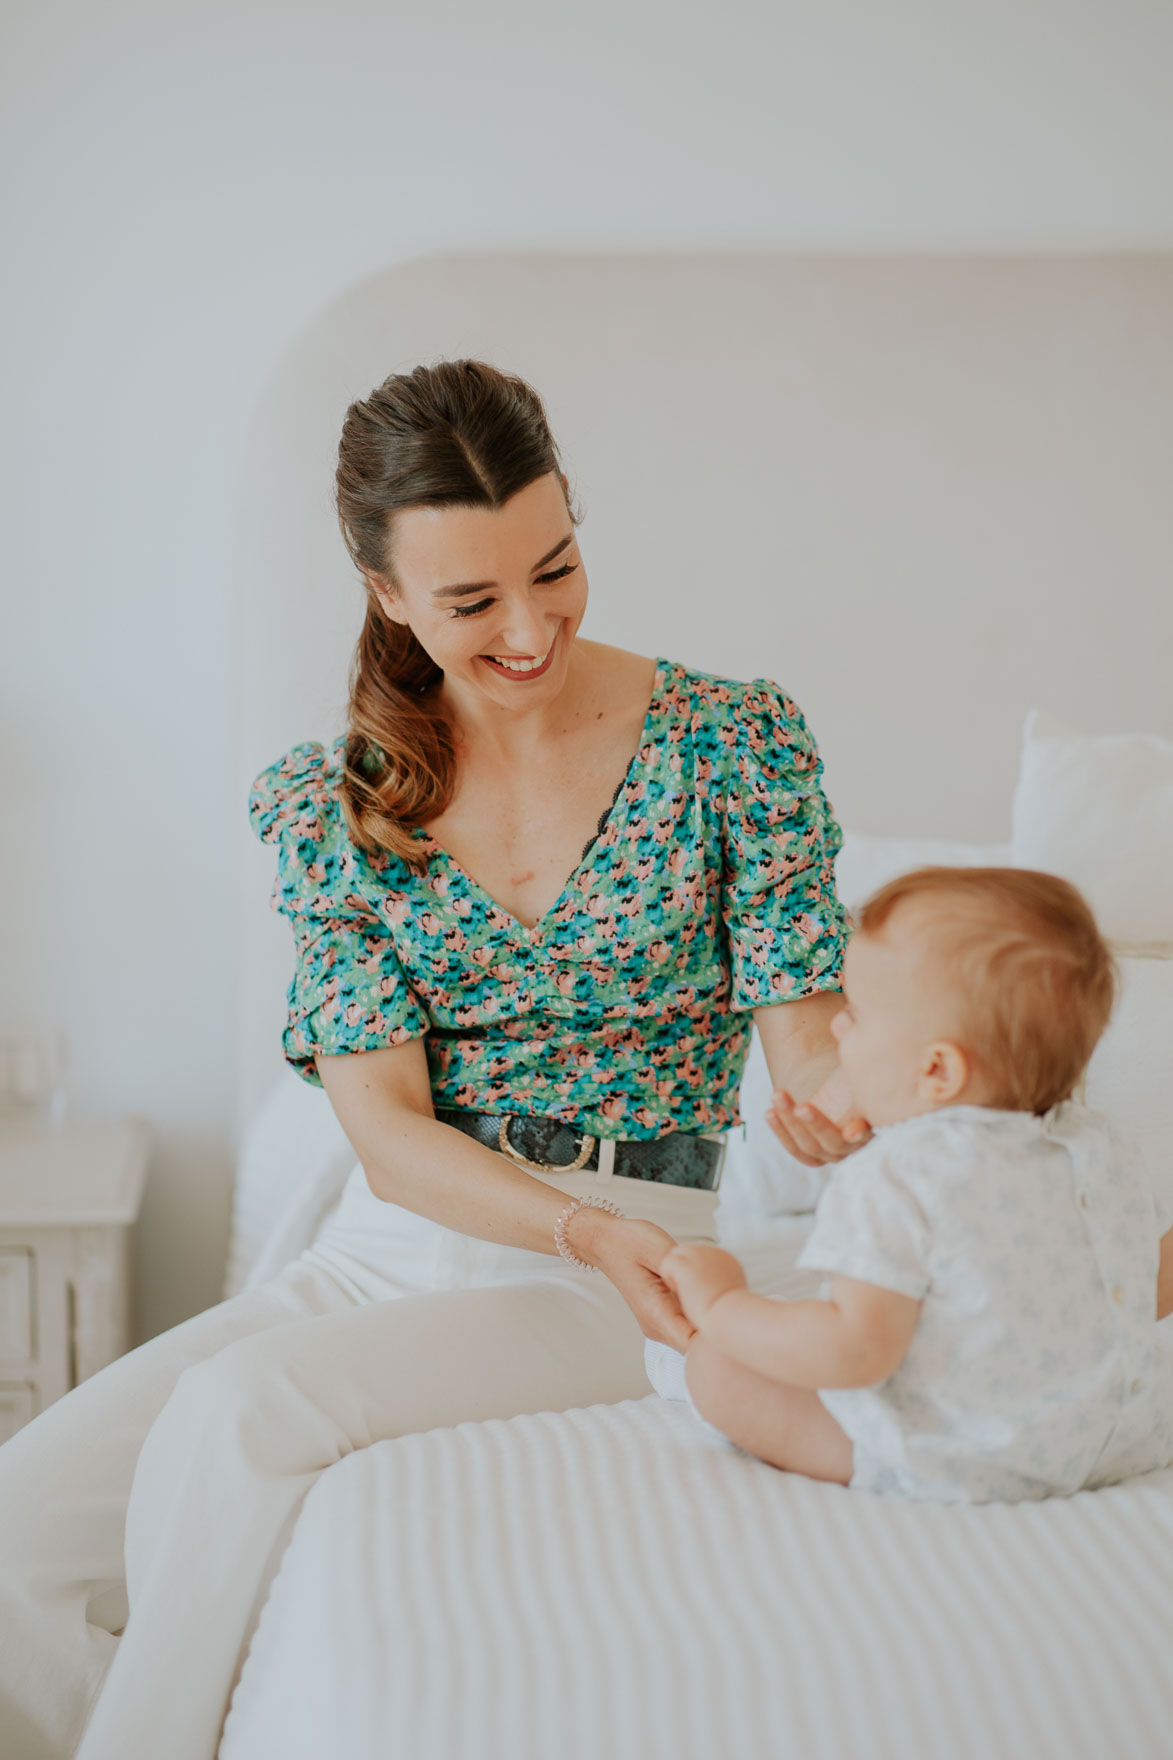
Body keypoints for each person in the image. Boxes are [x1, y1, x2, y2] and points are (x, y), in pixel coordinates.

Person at [0, 359, 858, 1760]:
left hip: (624, 1263)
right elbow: (388, 1136)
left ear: (573, 515)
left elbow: (807, 1033)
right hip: (386, 1254)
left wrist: (834, 1111)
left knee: (241, 1408)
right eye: (470, 602)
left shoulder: (733, 744)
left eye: (556, 565)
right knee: (14, 1545)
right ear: (385, 592)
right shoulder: (336, 803)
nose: (532, 628)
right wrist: (564, 1218)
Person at [648, 866, 1173, 1502]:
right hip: (1115, 1438)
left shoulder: (899, 1172)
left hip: (969, 1454)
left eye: (857, 1015)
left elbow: (856, 1349)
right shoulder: (1102, 1148)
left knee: (718, 1366)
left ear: (936, 1069)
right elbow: (1145, 1288)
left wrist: (721, 1304)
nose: (836, 1026)